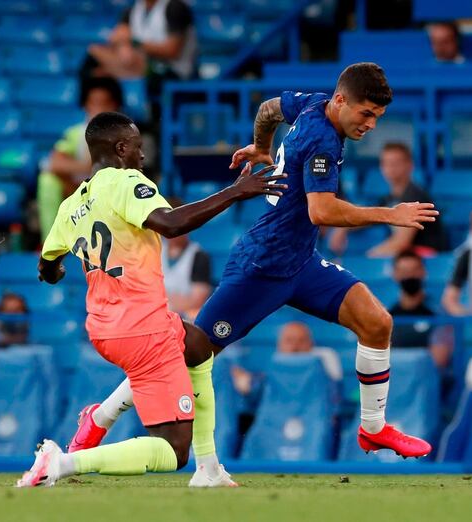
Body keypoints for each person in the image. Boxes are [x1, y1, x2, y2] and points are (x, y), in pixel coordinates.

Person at [78, 63, 438, 459]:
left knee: (376, 321)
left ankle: (373, 429)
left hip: (300, 261)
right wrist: (391, 214)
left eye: (378, 117)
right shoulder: (323, 141)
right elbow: (322, 212)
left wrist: (261, 146)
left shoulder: (311, 104)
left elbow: (268, 108)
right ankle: (99, 418)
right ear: (341, 100)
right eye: (366, 113)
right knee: (187, 354)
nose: (370, 124)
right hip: (260, 267)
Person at [16, 111, 286, 488]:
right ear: (121, 148)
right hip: (142, 330)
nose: (143, 156)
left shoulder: (69, 205)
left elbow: (46, 265)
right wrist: (235, 192)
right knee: (173, 451)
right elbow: (172, 224)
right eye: (138, 148)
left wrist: (55, 272)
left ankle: (208, 470)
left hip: (103, 328)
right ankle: (61, 463)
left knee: (198, 347)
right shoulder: (127, 183)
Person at [37, 77, 124, 241]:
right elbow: (54, 163)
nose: (97, 109)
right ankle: (50, 246)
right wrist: (87, 167)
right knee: (47, 180)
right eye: (93, 103)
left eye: (103, 103)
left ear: (115, 106)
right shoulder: (75, 134)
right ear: (86, 106)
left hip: (111, 197)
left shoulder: (126, 135)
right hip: (79, 191)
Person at [85, 0, 197, 89]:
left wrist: (134, 43)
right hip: (138, 65)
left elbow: (172, 51)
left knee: (103, 73)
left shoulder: (175, 7)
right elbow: (117, 37)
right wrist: (124, 48)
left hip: (171, 71)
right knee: (93, 58)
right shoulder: (133, 9)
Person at [366, 142, 449, 257]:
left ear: (410, 165)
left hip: (426, 260)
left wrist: (369, 257)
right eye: (386, 163)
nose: (390, 168)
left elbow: (401, 243)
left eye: (395, 163)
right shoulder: (387, 199)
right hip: (405, 257)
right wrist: (343, 229)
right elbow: (366, 217)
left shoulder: (416, 197)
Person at [230, 321, 343, 398]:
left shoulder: (323, 375)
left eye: (301, 340)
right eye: (289, 341)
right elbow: (255, 386)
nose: (295, 347)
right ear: (279, 345)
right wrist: (246, 381)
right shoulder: (272, 374)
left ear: (311, 345)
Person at [388, 250, 453, 368]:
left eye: (414, 271)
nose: (409, 276)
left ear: (423, 272)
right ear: (395, 275)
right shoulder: (387, 317)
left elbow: (440, 360)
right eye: (404, 272)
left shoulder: (438, 314)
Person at [161, 198, 212, 321]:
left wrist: (163, 301)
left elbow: (197, 301)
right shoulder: (154, 251)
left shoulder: (199, 256)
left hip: (184, 321)